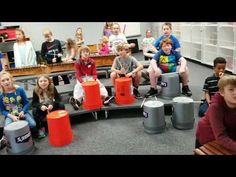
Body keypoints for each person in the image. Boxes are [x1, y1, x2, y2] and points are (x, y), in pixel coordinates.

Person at [195, 75, 236, 154]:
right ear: (222, 92)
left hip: (228, 131)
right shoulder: (216, 107)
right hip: (209, 136)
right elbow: (221, 136)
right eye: (231, 89)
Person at [0, 71, 37, 149]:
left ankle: (27, 135)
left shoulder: (20, 89)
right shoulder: (0, 95)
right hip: (10, 115)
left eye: (7, 79)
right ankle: (8, 141)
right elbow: (2, 110)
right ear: (0, 83)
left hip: (22, 112)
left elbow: (27, 103)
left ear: (11, 80)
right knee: (7, 128)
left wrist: (23, 111)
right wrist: (11, 116)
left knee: (33, 124)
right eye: (3, 80)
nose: (6, 82)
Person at [69, 46, 111, 110]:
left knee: (99, 85)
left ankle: (105, 98)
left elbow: (94, 73)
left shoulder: (92, 61)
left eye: (87, 52)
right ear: (81, 54)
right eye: (84, 52)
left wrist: (94, 80)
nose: (86, 53)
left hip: (90, 77)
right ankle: (77, 101)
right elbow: (78, 75)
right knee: (78, 87)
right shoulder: (77, 62)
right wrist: (82, 82)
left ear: (89, 53)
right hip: (82, 78)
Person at [32, 74, 65, 139]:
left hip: (52, 106)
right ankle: (41, 128)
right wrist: (40, 106)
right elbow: (34, 103)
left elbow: (58, 98)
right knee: (34, 111)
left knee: (61, 105)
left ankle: (61, 123)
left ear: (49, 81)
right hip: (43, 108)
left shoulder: (52, 87)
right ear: (38, 83)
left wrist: (53, 104)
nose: (43, 83)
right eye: (41, 81)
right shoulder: (35, 89)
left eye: (45, 81)